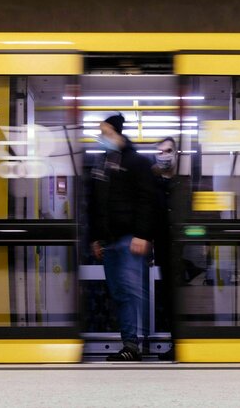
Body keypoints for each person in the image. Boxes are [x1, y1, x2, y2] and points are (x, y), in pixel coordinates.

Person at [88, 114, 155, 361]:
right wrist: (95, 238)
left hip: (129, 238)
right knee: (118, 293)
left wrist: (142, 234)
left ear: (117, 133)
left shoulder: (137, 163)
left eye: (106, 133)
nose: (102, 138)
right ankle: (131, 343)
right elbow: (95, 204)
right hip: (108, 240)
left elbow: (147, 202)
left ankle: (136, 343)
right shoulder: (100, 165)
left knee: (131, 291)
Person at [150, 137, 188, 361]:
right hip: (164, 247)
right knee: (169, 298)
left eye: (168, 151)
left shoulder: (185, 182)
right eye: (160, 151)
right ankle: (176, 342)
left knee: (185, 297)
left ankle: (185, 341)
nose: (164, 155)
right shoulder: (152, 184)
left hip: (185, 248)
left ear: (176, 153)